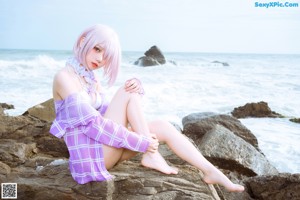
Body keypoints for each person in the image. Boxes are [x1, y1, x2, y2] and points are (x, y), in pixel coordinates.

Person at [50, 24, 244, 192]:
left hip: (102, 150)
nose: (100, 59)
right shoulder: (64, 78)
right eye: (97, 49)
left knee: (162, 126)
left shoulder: (90, 77)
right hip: (91, 158)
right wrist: (141, 142)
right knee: (126, 92)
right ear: (83, 40)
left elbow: (107, 112)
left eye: (106, 56)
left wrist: (136, 89)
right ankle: (151, 155)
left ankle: (212, 172)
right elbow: (95, 125)